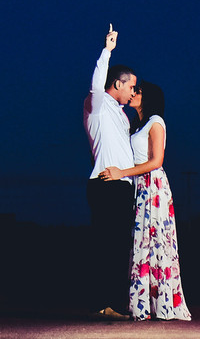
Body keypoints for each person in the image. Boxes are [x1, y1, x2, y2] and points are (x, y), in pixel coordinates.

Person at [100, 80, 192, 320]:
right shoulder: (137, 124)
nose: (132, 94)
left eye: (137, 91)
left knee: (157, 241)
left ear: (147, 96)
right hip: (140, 186)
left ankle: (163, 304)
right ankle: (142, 304)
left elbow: (156, 161)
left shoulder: (156, 122)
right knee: (142, 242)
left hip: (154, 185)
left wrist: (121, 173)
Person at [83, 24, 138, 319]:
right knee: (105, 247)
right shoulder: (99, 105)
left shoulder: (121, 114)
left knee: (118, 249)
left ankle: (112, 305)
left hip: (123, 185)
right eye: (131, 87)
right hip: (105, 183)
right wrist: (107, 51)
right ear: (117, 84)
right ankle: (99, 305)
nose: (133, 92)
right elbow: (95, 85)